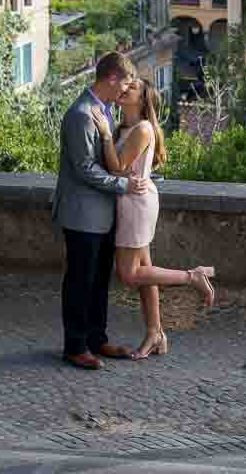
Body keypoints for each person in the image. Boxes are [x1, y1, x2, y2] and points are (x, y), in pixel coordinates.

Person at [92, 78, 215, 361]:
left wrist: (105, 135)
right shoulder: (125, 127)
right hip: (130, 200)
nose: (125, 90)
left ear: (143, 99)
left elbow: (117, 166)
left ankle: (192, 277)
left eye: (131, 88)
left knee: (129, 274)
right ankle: (155, 333)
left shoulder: (143, 128)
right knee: (145, 269)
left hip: (136, 203)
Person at [52, 51, 147, 371]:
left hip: (102, 214)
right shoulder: (81, 113)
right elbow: (84, 169)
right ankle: (75, 346)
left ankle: (97, 338)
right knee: (80, 281)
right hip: (82, 214)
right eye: (125, 84)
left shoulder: (103, 111)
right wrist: (124, 187)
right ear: (111, 78)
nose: (126, 90)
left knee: (98, 281)